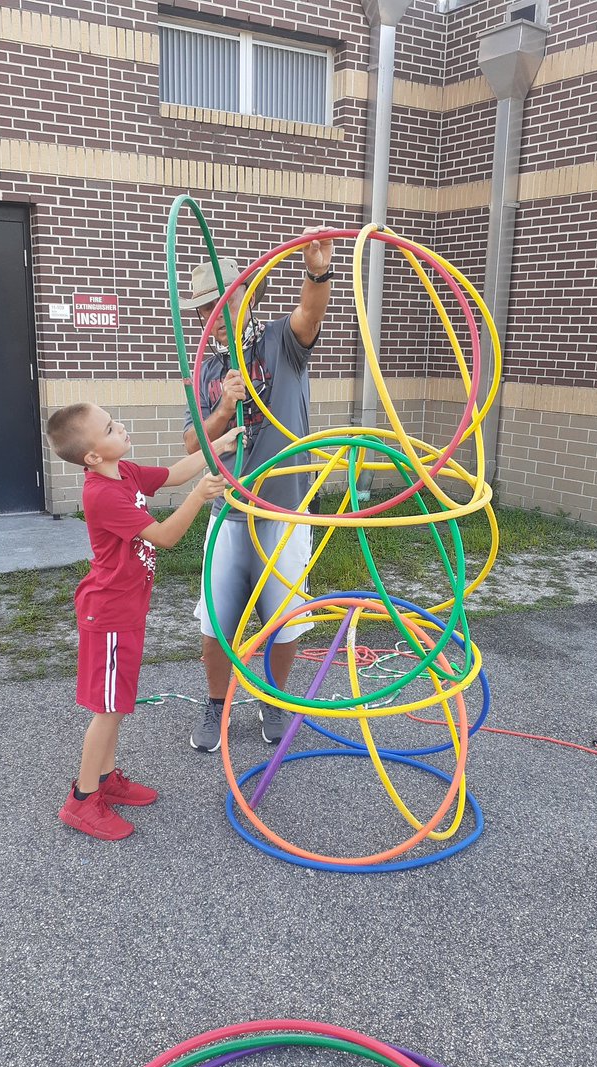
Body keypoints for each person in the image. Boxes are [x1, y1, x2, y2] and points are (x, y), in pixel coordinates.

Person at [46, 401, 242, 840]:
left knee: (119, 703)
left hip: (125, 610)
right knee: (109, 709)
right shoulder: (103, 493)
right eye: (111, 428)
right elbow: (166, 537)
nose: (122, 428)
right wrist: (200, 495)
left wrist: (217, 445)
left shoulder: (125, 472)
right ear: (93, 456)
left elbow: (173, 474)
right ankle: (81, 799)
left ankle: (107, 778)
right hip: (109, 613)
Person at [182, 228, 334, 753]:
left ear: (246, 298)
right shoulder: (204, 364)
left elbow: (310, 315)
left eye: (219, 304)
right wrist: (222, 408)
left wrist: (316, 273)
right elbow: (189, 442)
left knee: (283, 618)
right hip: (229, 510)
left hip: (284, 507)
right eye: (203, 310)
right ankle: (217, 702)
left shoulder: (279, 342)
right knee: (217, 617)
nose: (210, 317)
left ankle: (272, 699)